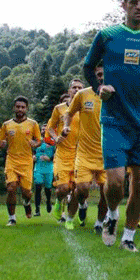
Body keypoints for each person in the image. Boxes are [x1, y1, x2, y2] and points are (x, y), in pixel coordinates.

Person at [82, 0, 140, 252]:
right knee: (116, 181)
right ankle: (111, 215)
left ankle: (129, 237)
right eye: (134, 2)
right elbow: (88, 66)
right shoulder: (108, 36)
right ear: (123, 5)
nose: (139, 7)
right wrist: (100, 88)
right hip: (113, 120)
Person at [62, 66, 107, 232]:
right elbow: (69, 112)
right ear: (93, 77)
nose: (102, 77)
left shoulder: (116, 95)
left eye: (104, 74)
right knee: (81, 189)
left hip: (107, 154)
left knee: (106, 193)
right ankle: (75, 211)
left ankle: (99, 223)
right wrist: (66, 127)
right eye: (99, 75)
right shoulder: (82, 95)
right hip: (85, 153)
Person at [0, 96, 42, 226]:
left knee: (26, 192)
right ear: (14, 108)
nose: (20, 109)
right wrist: (1, 143)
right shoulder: (6, 124)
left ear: (26, 109)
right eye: (18, 107)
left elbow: (39, 141)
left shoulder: (33, 124)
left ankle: (27, 203)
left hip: (27, 162)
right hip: (11, 160)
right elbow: (0, 141)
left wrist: (35, 143)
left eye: (23, 107)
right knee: (11, 188)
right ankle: (12, 218)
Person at [46, 81, 84, 225]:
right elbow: (50, 127)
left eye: (80, 88)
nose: (77, 90)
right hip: (62, 154)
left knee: (76, 189)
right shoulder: (59, 109)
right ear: (69, 90)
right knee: (63, 188)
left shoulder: (86, 109)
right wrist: (56, 138)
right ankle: (58, 201)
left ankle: (70, 218)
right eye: (74, 87)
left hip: (80, 154)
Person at [33, 124, 55, 216]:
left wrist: (50, 158)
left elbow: (58, 154)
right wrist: (33, 156)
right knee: (37, 188)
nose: (43, 130)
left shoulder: (53, 142)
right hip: (38, 168)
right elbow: (32, 151)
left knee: (48, 189)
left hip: (49, 168)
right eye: (42, 129)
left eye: (45, 129)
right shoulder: (37, 142)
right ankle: (37, 209)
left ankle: (48, 201)